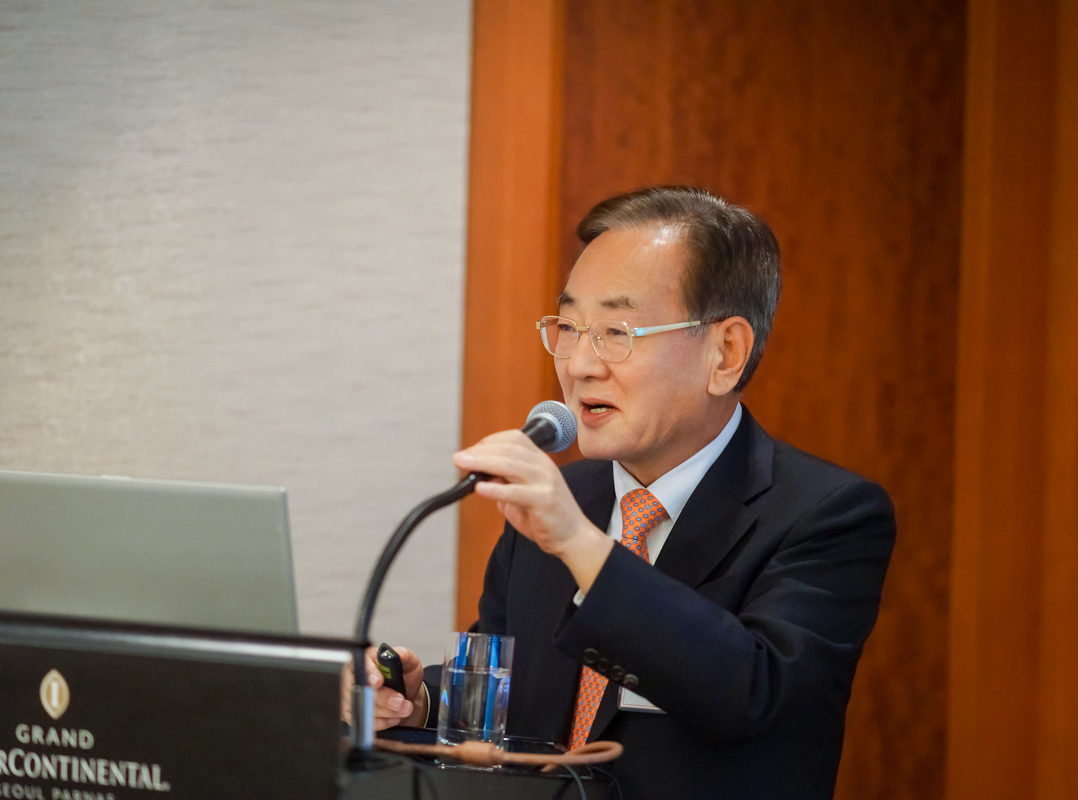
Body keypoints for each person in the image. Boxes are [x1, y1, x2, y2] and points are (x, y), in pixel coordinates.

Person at [355, 186, 896, 799]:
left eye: (617, 331)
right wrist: (419, 700)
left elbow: (750, 693)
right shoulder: (563, 499)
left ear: (726, 354)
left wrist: (580, 544)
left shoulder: (828, 513)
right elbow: (514, 692)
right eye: (569, 327)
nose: (580, 364)